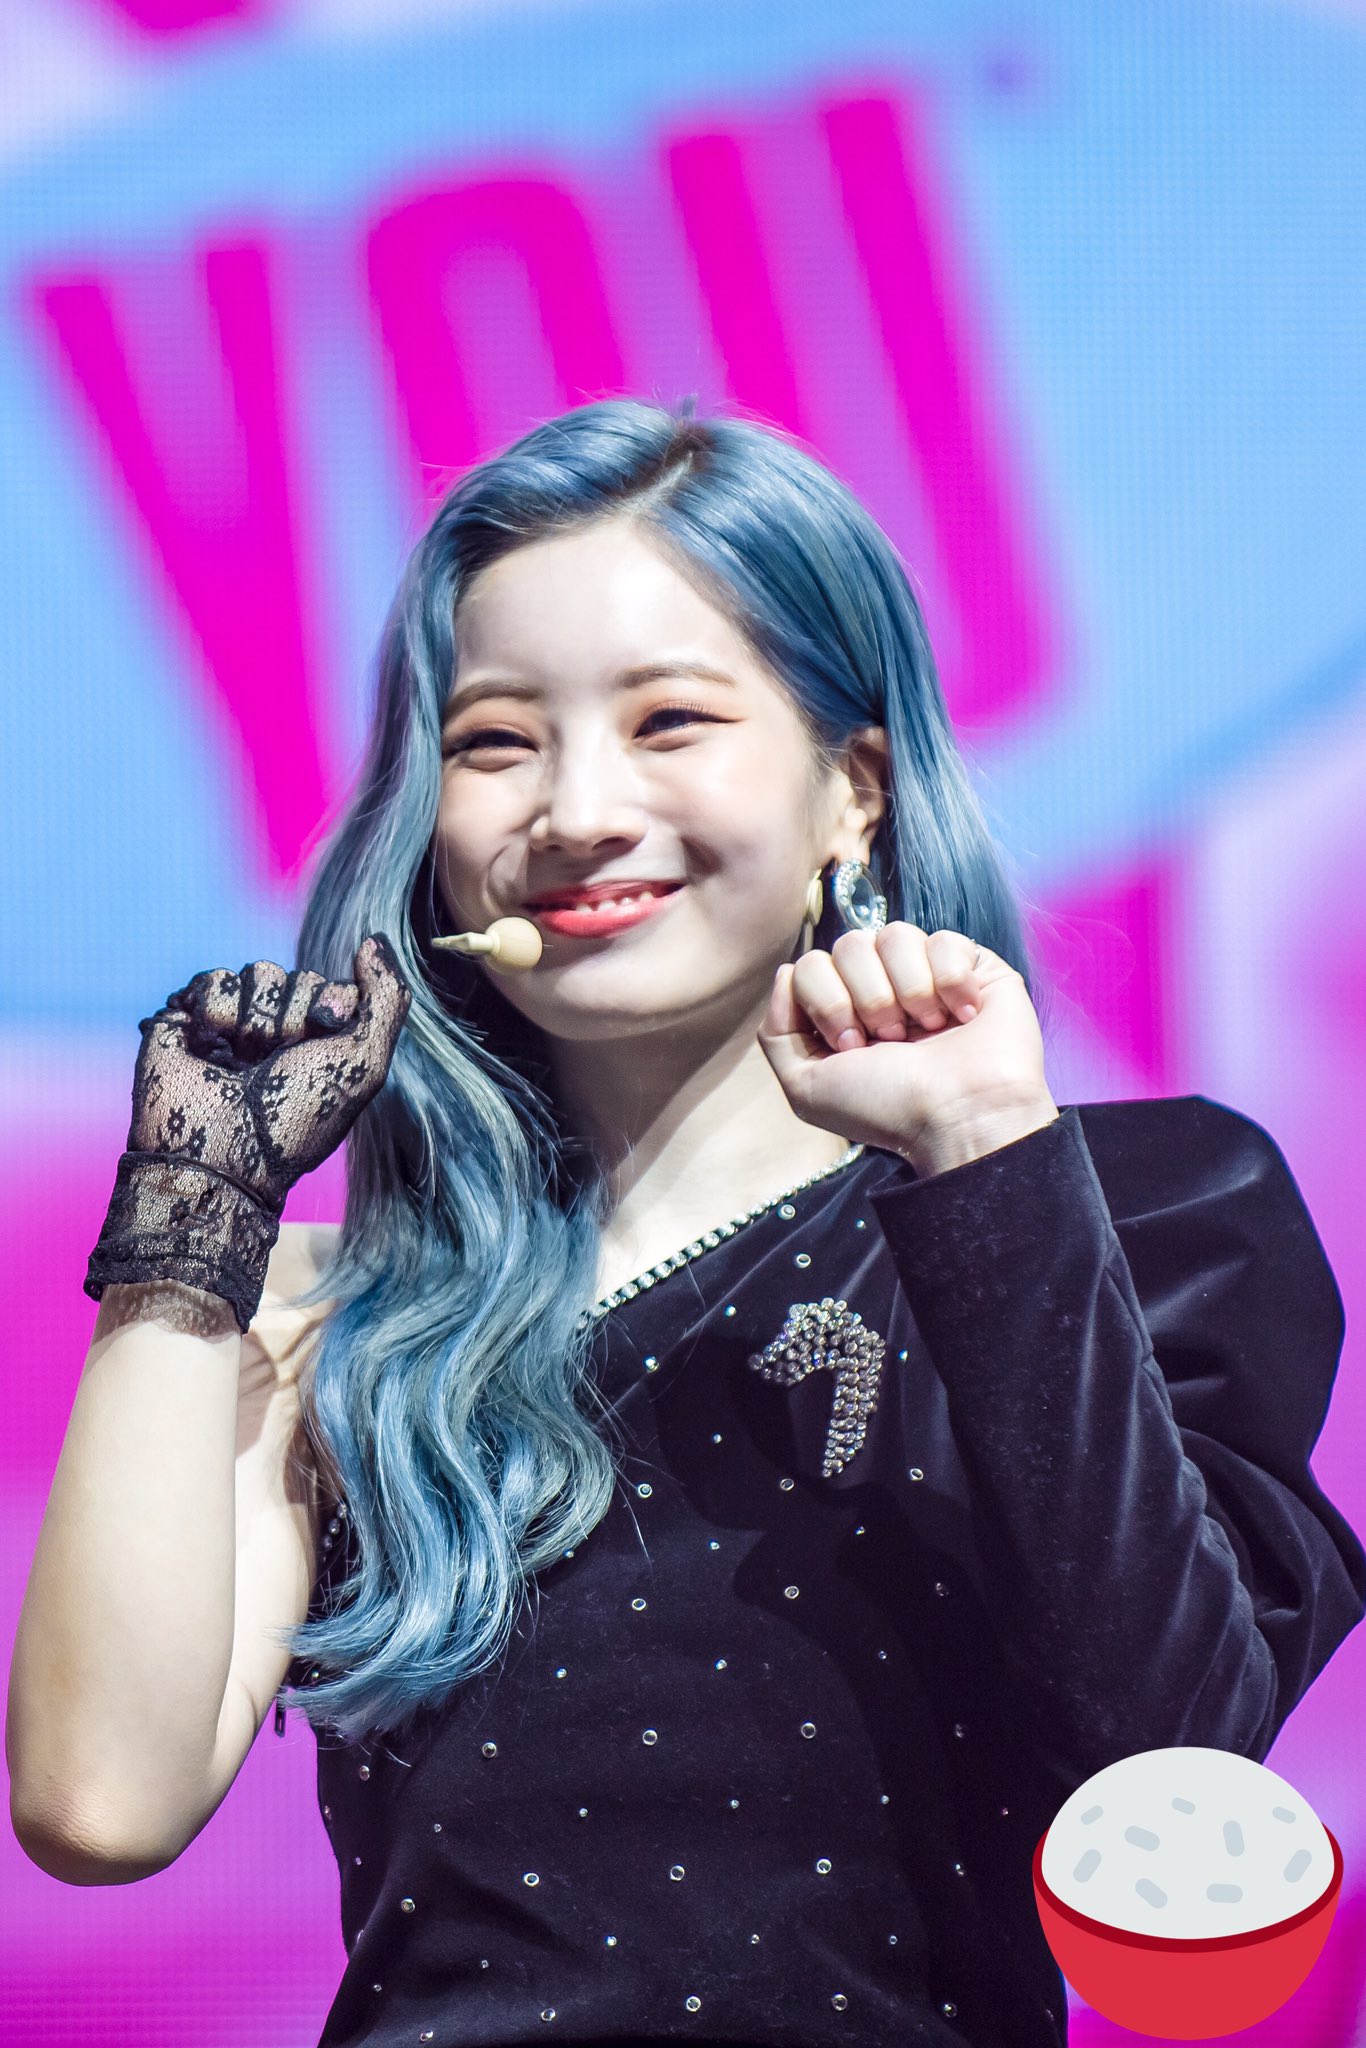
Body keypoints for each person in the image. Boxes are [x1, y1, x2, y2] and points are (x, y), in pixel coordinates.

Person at [10, 398, 1364, 2048]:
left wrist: (979, 1158)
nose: (575, 810)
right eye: (494, 743)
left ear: (852, 791)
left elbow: (1170, 1763)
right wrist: (193, 1213)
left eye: (668, 723)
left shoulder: (1137, 1210)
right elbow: (97, 1805)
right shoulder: (325, 1312)